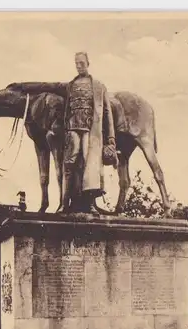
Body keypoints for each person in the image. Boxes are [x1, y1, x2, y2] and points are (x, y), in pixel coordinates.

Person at [15, 52, 116, 215]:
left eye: (81, 63)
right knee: (68, 164)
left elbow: (107, 113)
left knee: (88, 165)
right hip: (73, 130)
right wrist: (23, 86)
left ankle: (89, 203)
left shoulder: (99, 86)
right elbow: (48, 85)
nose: (79, 66)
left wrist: (111, 139)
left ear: (88, 63)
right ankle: (64, 203)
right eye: (76, 63)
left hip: (91, 131)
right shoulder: (70, 85)